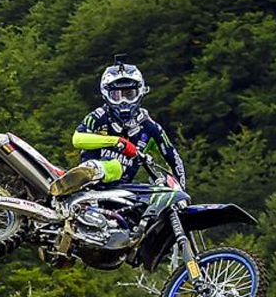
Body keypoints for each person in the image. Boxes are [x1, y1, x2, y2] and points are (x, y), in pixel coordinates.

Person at [50, 56, 186, 196]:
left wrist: (181, 191)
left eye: (129, 94)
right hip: (91, 186)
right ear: (105, 94)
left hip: (124, 190)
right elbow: (77, 140)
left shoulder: (150, 126)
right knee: (115, 166)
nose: (124, 101)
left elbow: (173, 158)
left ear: (140, 92)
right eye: (116, 95)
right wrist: (116, 142)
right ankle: (88, 172)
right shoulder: (98, 116)